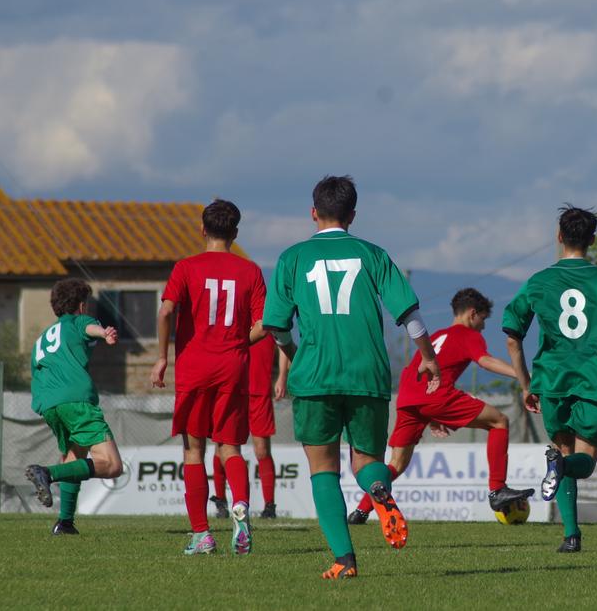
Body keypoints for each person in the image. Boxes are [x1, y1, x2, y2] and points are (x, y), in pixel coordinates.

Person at [262, 175, 441, 579]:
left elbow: (275, 326)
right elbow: (409, 315)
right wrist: (428, 357)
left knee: (323, 469)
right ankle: (379, 490)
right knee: (367, 461)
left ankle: (344, 560)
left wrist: (294, 354)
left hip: (314, 375)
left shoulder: (291, 258)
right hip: (368, 373)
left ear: (313, 213)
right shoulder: (372, 254)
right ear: (353, 215)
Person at [502, 205, 597, 553]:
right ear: (593, 239)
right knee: (583, 461)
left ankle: (571, 535)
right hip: (592, 379)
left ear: (558, 237)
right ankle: (562, 475)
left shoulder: (539, 281)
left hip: (552, 380)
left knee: (562, 449)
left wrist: (526, 384)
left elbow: (511, 336)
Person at [348, 288, 533, 524]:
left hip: (407, 399)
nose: (483, 327)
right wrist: (521, 374)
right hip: (436, 395)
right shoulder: (467, 334)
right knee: (499, 421)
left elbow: (418, 369)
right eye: (483, 320)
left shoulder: (436, 336)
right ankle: (497, 490)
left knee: (396, 464)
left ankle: (361, 512)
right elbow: (485, 361)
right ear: (473, 314)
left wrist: (431, 416)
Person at [151, 199, 267, 555]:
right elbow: (264, 325)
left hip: (194, 367)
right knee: (230, 447)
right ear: (234, 233)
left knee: (193, 450)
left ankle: (202, 534)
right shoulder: (250, 271)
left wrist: (161, 358)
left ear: (202, 229)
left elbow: (167, 309)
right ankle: (241, 511)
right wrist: (235, 343)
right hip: (232, 367)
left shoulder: (186, 267)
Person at [24, 279, 124, 534]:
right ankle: (46, 472)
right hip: (76, 401)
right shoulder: (77, 320)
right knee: (112, 465)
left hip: (49, 405)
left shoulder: (42, 339)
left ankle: (65, 523)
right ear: (81, 305)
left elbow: (36, 371)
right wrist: (105, 333)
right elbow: (89, 327)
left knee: (74, 456)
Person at [211, 333, 288, 519]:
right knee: (223, 448)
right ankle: (221, 501)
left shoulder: (268, 312)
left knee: (262, 450)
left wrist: (282, 377)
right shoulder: (233, 312)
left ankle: (269, 506)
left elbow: (284, 342)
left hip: (259, 392)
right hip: (231, 389)